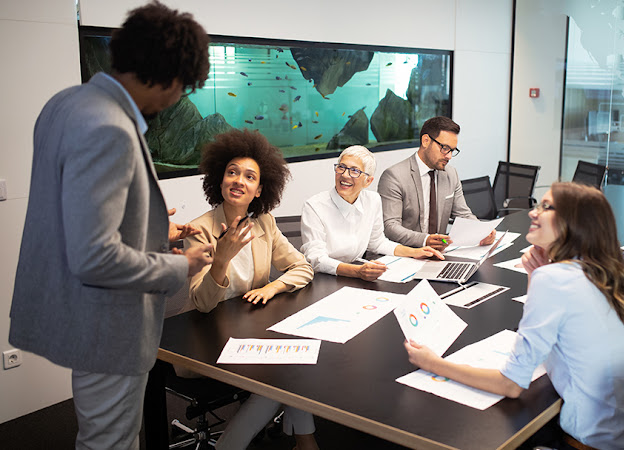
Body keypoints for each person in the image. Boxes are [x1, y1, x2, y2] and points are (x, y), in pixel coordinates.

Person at [8, 2, 213, 448]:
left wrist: (157, 233)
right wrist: (183, 264)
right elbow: (96, 257)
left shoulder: (67, 103)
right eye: (183, 89)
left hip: (71, 308)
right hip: (107, 323)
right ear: (170, 78)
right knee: (110, 440)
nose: (179, 99)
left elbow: (75, 212)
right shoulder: (110, 128)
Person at [405, 182, 624, 450]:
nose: (533, 213)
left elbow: (511, 385)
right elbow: (546, 336)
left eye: (546, 207)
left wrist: (434, 364)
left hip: (592, 442)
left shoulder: (555, 279)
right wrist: (536, 278)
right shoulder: (601, 273)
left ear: (572, 223)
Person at [185, 128, 317, 450]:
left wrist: (273, 287)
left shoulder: (264, 223)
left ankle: (302, 439)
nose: (238, 181)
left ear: (259, 190)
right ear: (219, 179)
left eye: (249, 176)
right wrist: (221, 260)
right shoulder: (200, 229)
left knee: (298, 359)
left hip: (249, 332)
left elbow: (303, 268)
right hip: (207, 340)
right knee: (283, 375)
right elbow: (201, 303)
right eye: (232, 172)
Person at [301, 145, 444, 280]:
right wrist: (356, 271)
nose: (345, 175)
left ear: (368, 181)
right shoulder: (314, 206)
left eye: (354, 171)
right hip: (325, 278)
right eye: (341, 168)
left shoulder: (373, 200)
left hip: (357, 273)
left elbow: (377, 243)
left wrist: (415, 252)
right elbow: (315, 259)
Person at [378, 116, 495, 252]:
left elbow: (463, 214)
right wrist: (425, 240)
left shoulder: (450, 174)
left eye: (452, 150)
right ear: (426, 141)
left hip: (439, 254)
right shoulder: (394, 176)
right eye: (445, 148)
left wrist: (481, 231)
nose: (449, 156)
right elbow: (390, 226)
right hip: (406, 254)